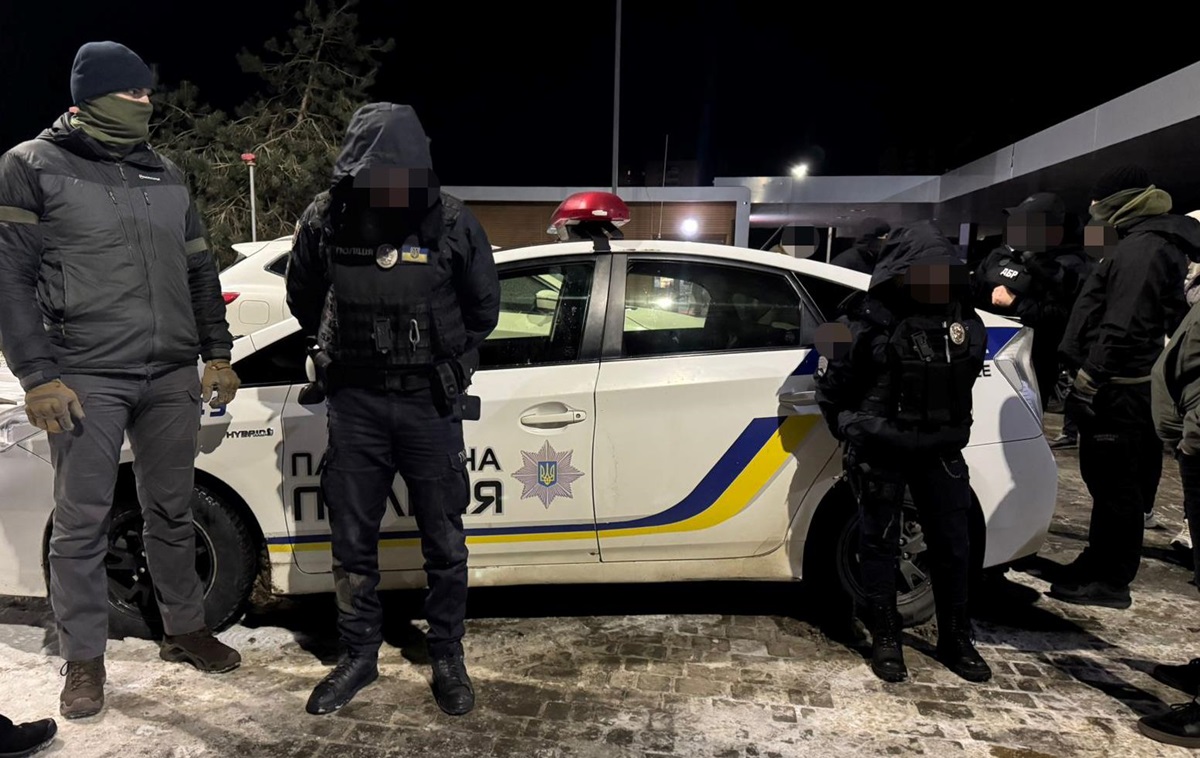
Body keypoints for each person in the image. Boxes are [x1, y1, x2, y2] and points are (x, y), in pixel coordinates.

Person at [0, 41, 242, 720]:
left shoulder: (165, 172)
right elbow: (9, 279)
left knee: (172, 509)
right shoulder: (31, 165)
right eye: (134, 92)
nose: (146, 102)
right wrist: (37, 374)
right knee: (81, 522)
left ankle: (185, 627)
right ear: (94, 97)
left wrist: (216, 352)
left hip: (169, 372)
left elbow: (199, 271)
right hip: (86, 374)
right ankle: (84, 659)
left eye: (147, 92)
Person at [286, 103, 500, 717]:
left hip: (428, 401)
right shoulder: (327, 217)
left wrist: (441, 354)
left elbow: (483, 310)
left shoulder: (451, 220)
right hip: (355, 402)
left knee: (444, 539)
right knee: (352, 541)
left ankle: (448, 654)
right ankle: (359, 655)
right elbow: (304, 296)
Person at [814, 220, 991, 684]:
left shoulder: (965, 321)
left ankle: (956, 637)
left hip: (941, 451)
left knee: (953, 547)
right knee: (878, 545)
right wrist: (850, 429)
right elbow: (831, 387)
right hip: (882, 450)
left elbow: (966, 380)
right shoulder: (863, 319)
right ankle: (886, 636)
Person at [1053, 165, 1200, 609]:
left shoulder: (1143, 247)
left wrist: (1090, 378)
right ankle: (1099, 561)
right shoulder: (1140, 240)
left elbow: (1123, 324)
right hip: (1121, 384)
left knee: (1117, 485)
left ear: (1119, 201)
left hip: (1119, 388)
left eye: (1098, 201)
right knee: (1108, 481)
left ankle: (1112, 579)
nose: (1092, 209)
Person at [970, 192, 1089, 413]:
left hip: (1033, 363)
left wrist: (1016, 303)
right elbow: (975, 290)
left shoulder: (1067, 266)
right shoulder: (999, 255)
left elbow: (1064, 317)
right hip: (988, 354)